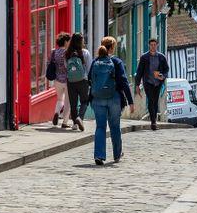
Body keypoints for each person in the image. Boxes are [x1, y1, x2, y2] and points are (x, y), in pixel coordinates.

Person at [88, 37, 134, 165]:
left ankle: (99, 155)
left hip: (98, 99)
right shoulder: (117, 62)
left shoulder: (95, 62)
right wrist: (130, 101)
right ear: (112, 47)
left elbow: (89, 79)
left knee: (100, 127)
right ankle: (117, 154)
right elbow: (124, 82)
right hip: (114, 98)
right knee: (114, 127)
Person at [135, 38, 169, 130]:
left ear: (157, 45)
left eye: (154, 45)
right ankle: (153, 122)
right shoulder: (144, 57)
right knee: (150, 100)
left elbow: (166, 70)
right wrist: (137, 85)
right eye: (151, 45)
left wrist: (163, 76)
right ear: (149, 46)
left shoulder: (161, 57)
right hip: (148, 82)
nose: (153, 46)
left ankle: (153, 120)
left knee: (155, 101)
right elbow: (139, 72)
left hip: (158, 83)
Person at [64, 33, 92, 131]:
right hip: (83, 80)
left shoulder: (67, 53)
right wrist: (90, 80)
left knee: (73, 103)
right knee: (84, 101)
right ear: (81, 41)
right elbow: (89, 68)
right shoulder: (85, 53)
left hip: (71, 81)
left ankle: (75, 125)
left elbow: (66, 67)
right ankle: (80, 118)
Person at [48, 32, 72, 128]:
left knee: (59, 99)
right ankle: (65, 122)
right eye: (69, 41)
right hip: (67, 80)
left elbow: (49, 63)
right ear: (65, 42)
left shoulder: (54, 52)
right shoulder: (68, 52)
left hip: (57, 79)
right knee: (68, 101)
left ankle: (56, 112)